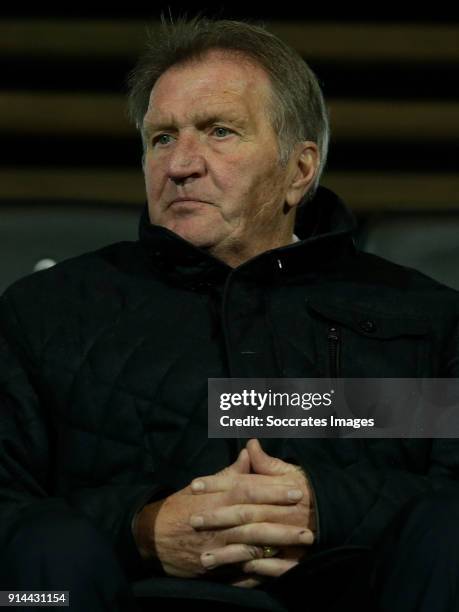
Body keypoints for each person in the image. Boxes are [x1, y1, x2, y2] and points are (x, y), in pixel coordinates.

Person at [1, 16, 459, 612]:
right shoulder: (45, 313)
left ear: (299, 171)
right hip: (114, 592)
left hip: (356, 591)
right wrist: (140, 527)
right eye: (162, 138)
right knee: (38, 558)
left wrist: (325, 505)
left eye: (219, 131)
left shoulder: (425, 318)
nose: (181, 164)